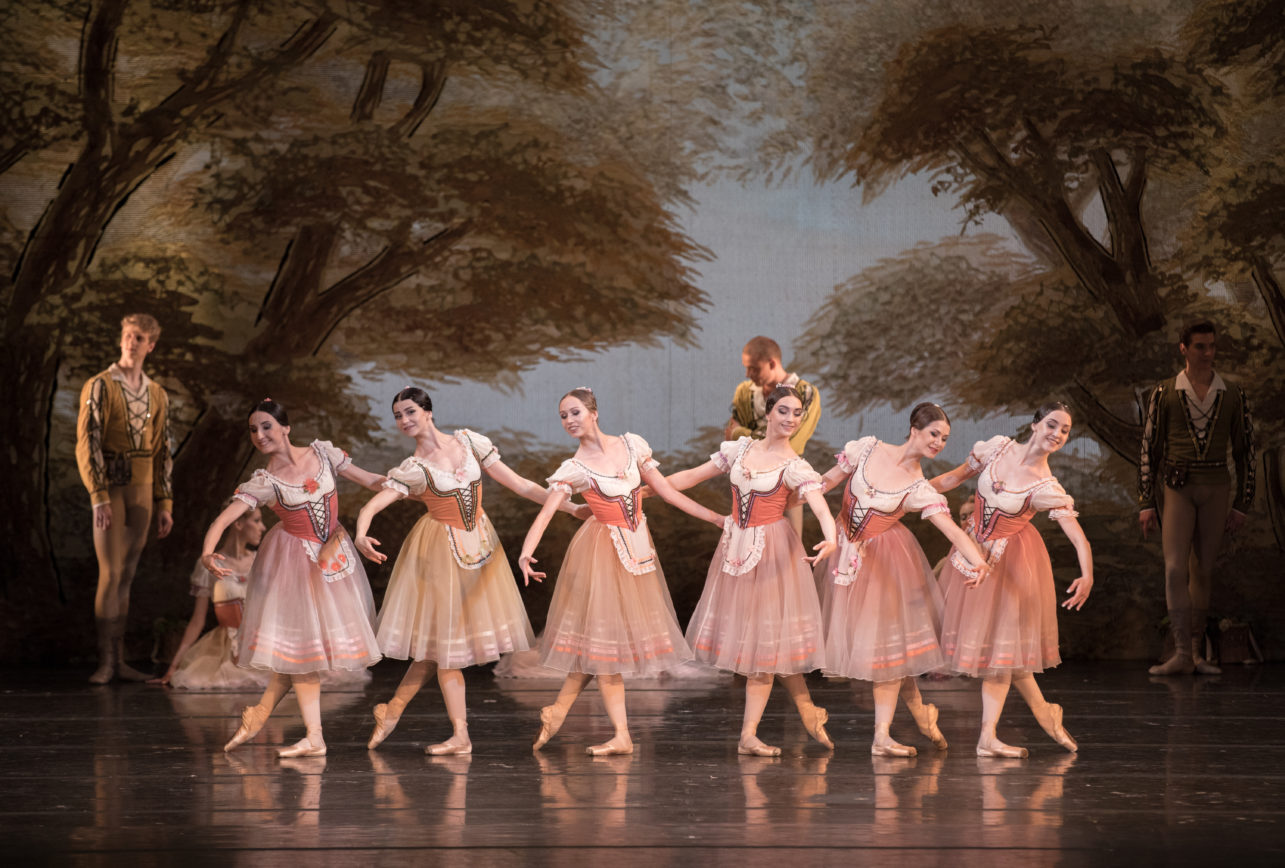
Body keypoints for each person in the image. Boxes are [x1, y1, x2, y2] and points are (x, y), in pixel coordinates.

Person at [353, 387, 588, 754]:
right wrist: (361, 532)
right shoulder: (415, 468)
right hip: (440, 553)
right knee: (446, 647)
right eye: (398, 415)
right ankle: (460, 735)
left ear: (428, 411)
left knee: (437, 648)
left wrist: (571, 509)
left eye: (410, 411)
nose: (405, 420)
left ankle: (392, 709)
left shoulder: (469, 442)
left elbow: (520, 484)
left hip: (480, 546)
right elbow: (373, 505)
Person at [517, 387, 725, 756]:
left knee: (599, 648)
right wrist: (526, 553)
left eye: (575, 412)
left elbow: (668, 492)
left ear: (593, 412)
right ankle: (619, 733)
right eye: (563, 416)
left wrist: (716, 519)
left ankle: (560, 711)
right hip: (601, 554)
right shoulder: (574, 468)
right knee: (603, 648)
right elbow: (547, 512)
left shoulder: (631, 446)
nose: (569, 420)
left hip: (637, 552)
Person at [204, 400, 385, 757]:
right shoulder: (265, 481)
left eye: (266, 426)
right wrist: (207, 552)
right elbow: (223, 519)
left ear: (285, 427)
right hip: (294, 565)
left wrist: (406, 484)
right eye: (253, 430)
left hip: (333, 559)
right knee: (302, 653)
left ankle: (262, 717)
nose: (260, 435)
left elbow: (368, 479)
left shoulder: (323, 454)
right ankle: (311, 736)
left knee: (301, 654)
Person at [668, 384, 838, 757]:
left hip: (773, 553)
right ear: (768, 412)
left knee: (766, 648)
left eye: (797, 413)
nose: (791, 419)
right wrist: (646, 489)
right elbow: (690, 477)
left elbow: (819, 506)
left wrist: (831, 538)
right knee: (769, 646)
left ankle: (748, 735)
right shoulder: (739, 449)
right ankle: (807, 712)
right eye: (784, 411)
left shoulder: (794, 465)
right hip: (735, 550)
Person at [815, 403, 991, 756]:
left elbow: (952, 531)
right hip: (844, 552)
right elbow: (823, 483)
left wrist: (979, 562)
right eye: (934, 434)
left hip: (885, 562)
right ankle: (921, 715)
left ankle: (882, 735)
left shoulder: (918, 486)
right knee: (889, 651)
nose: (939, 442)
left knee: (888, 651)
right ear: (914, 429)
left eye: (944, 438)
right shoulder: (867, 449)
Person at [931, 402, 1094, 757]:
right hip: (972, 554)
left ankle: (990, 736)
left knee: (1002, 653)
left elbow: (1078, 537)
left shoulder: (1045, 485)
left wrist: (1087, 574)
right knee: (1003, 654)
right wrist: (911, 495)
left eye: (1065, 431)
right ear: (1035, 424)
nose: (1057, 434)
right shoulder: (997, 448)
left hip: (1011, 563)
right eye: (1052, 424)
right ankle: (1041, 715)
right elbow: (954, 478)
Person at [1139, 320, 1255, 676]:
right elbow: (1150, 448)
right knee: (1175, 568)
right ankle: (1181, 653)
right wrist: (1146, 501)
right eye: (1200, 346)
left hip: (1216, 487)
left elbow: (1245, 451)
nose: (1208, 353)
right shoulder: (1165, 392)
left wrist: (1243, 503)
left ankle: (1194, 651)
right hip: (1178, 488)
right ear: (1184, 349)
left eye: (1212, 346)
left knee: (1203, 569)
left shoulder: (1232, 393)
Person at [75, 313, 175, 683]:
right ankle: (106, 661)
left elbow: (163, 449)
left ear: (151, 345)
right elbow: (87, 443)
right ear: (121, 339)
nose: (132, 343)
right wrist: (98, 495)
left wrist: (165, 503)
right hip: (111, 488)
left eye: (140, 338)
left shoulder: (157, 393)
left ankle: (120, 661)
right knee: (111, 572)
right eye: (129, 335)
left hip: (143, 489)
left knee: (128, 575)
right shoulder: (99, 386)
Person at [148, 501, 269, 689]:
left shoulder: (261, 561)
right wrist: (173, 667)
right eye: (257, 520)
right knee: (209, 681)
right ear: (238, 523)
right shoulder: (209, 565)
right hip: (226, 648)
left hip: (261, 644)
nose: (263, 527)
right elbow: (197, 621)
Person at [724, 336, 822, 535]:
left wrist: (740, 432)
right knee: (744, 535)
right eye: (746, 368)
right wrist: (740, 436)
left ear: (772, 363)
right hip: (749, 482)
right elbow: (730, 438)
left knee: (790, 541)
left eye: (754, 369)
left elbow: (789, 440)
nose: (748, 374)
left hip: (787, 480)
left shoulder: (805, 392)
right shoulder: (744, 392)